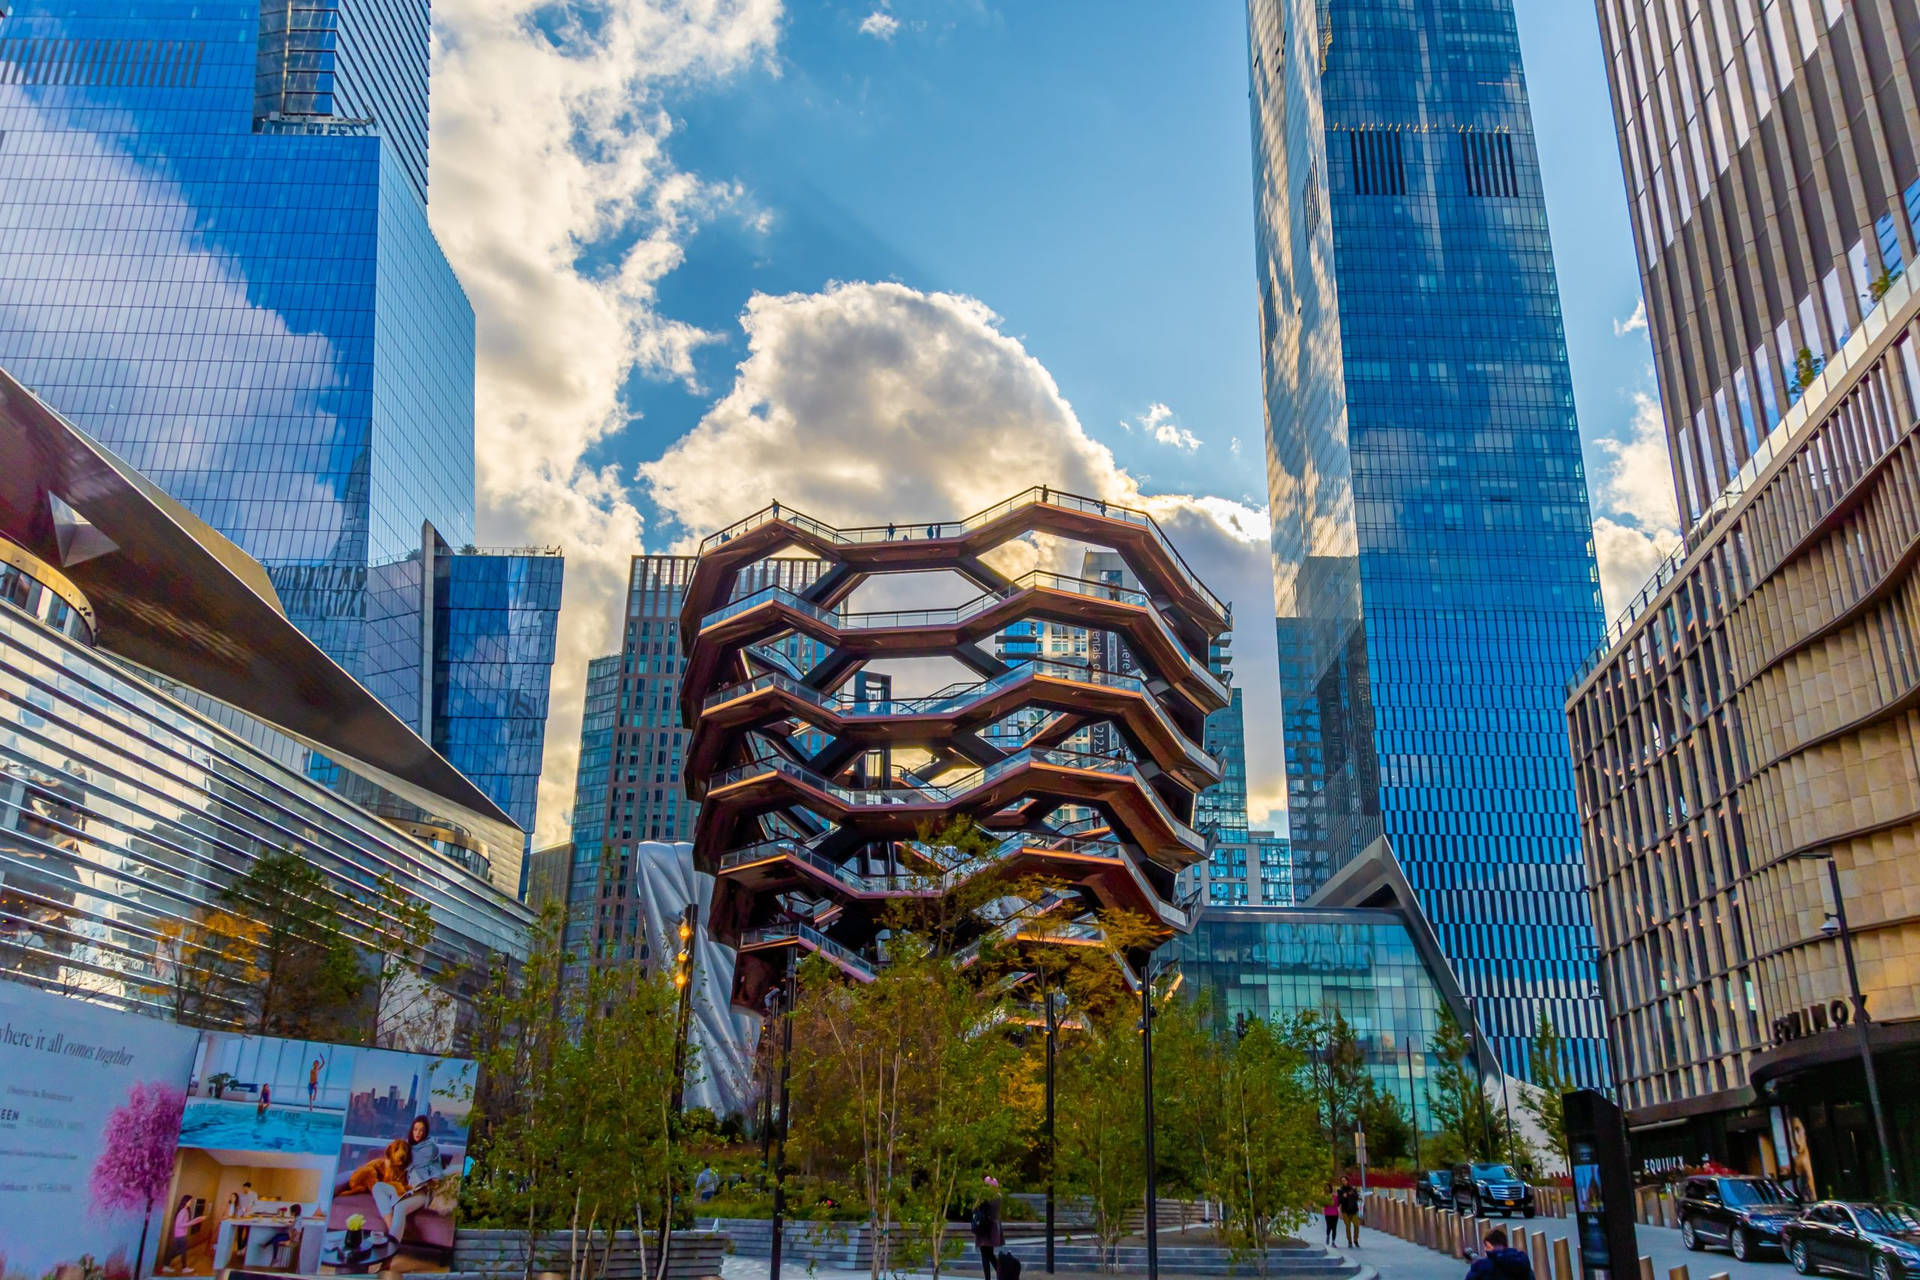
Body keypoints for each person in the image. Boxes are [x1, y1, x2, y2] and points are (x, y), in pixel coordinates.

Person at [1465, 1226, 1534, 1280]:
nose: (1485, 1249)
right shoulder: (1521, 1260)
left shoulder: (1481, 1266)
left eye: (1486, 1246)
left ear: (1489, 1246)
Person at [970, 1175, 1004, 1280]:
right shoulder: (998, 1196)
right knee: (989, 1254)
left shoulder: (984, 1198)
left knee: (985, 1255)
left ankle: (991, 1277)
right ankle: (1002, 1274)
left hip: (984, 1228)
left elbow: (975, 1210)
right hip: (993, 1228)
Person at [160, 1194, 203, 1272]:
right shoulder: (183, 1211)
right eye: (190, 1201)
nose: (190, 1202)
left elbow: (185, 1222)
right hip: (180, 1235)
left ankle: (166, 1265)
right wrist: (193, 1222)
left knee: (177, 1251)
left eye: (191, 1201)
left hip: (180, 1235)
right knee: (182, 1251)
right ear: (185, 1201)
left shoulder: (186, 1210)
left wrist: (196, 1220)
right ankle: (183, 1268)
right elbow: (179, 1224)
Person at [1338, 1177, 1362, 1247]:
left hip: (1353, 1210)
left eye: (1345, 1180)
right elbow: (1339, 1201)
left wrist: (1352, 1194)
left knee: (1356, 1225)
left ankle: (1355, 1240)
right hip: (1345, 1211)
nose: (1344, 1182)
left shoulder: (1353, 1189)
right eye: (1342, 1181)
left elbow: (1357, 1197)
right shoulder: (1340, 1190)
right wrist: (1343, 1197)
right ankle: (1349, 1241)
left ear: (1347, 1181)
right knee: (1348, 1227)